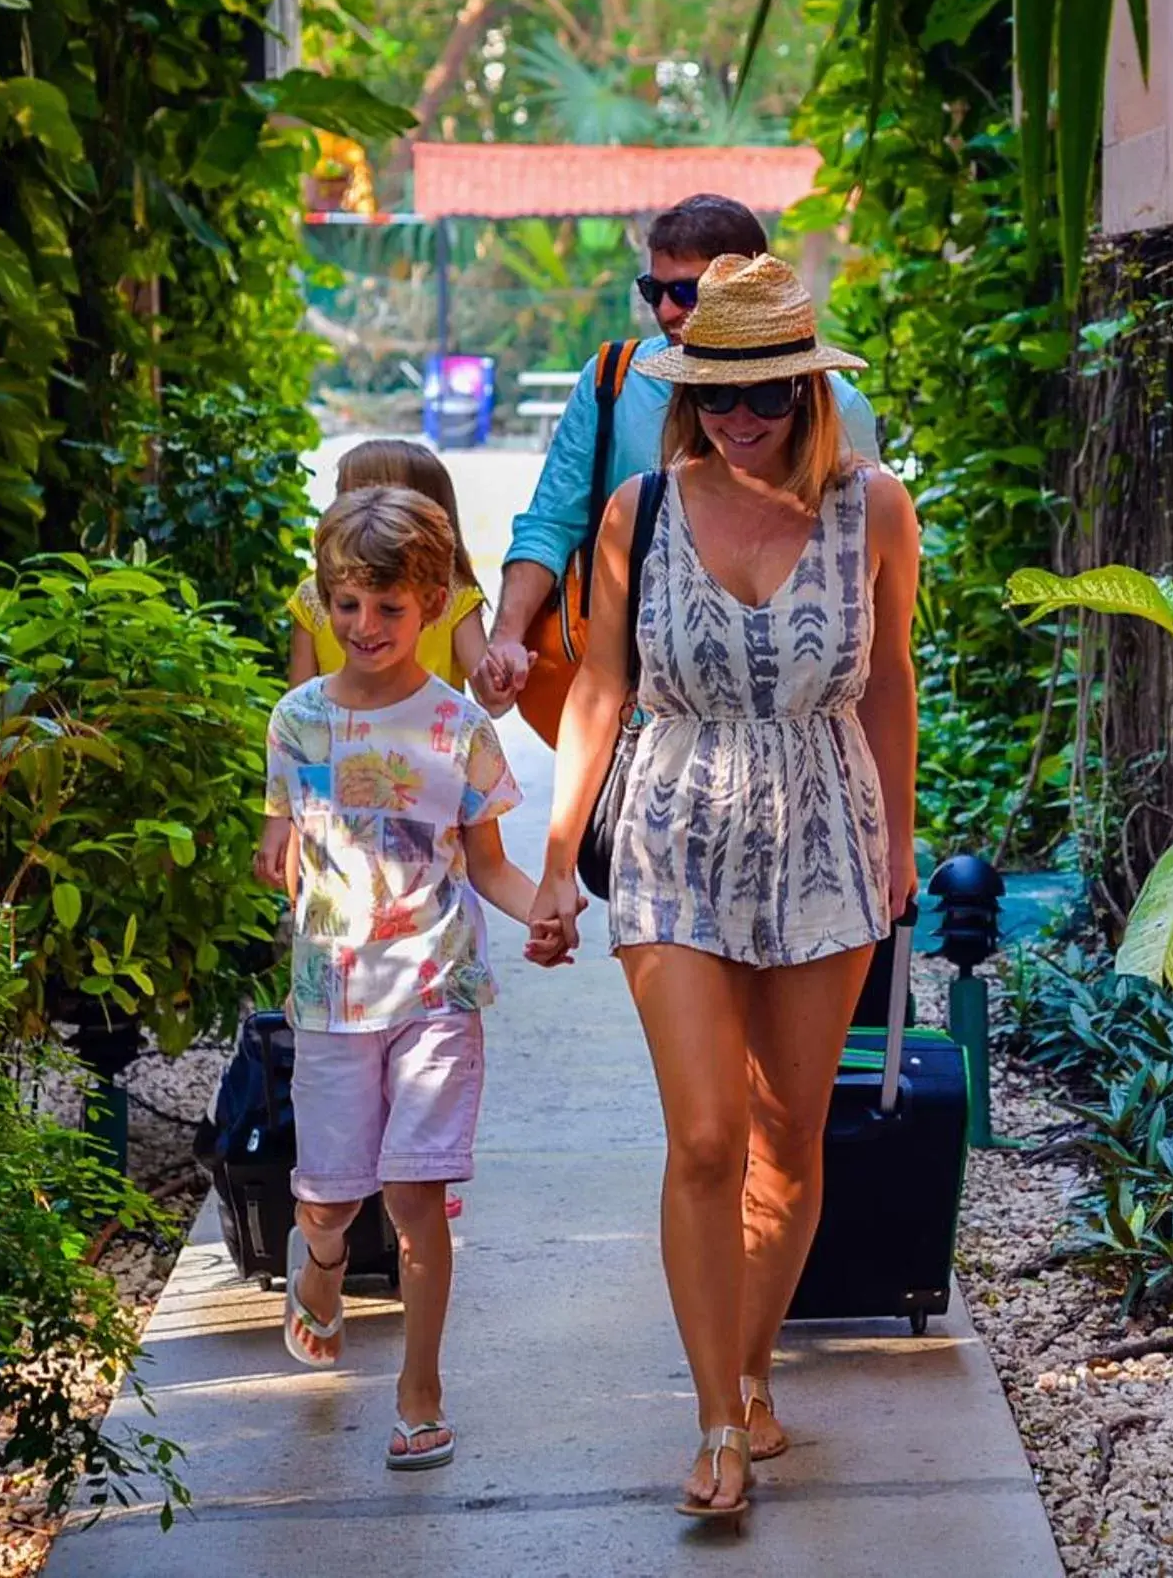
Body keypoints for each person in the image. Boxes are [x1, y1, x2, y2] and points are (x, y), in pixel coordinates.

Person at [525, 254, 921, 1521]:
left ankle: (752, 1372)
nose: (739, 421)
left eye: (765, 398)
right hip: (673, 836)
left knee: (789, 1139)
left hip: (826, 836)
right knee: (704, 1135)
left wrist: (897, 842)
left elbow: (893, 682)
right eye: (717, 399)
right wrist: (553, 864)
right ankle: (712, 1426)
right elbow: (596, 687)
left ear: (809, 392)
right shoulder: (641, 508)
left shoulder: (877, 510)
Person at [253, 486, 562, 1471]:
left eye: (390, 608)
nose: (366, 626)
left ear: (432, 606)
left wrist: (542, 912)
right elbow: (280, 840)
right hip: (334, 999)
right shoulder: (297, 723)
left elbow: (491, 863)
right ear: (323, 602)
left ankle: (418, 1387)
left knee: (413, 1191)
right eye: (347, 605)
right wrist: (280, 852)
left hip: (437, 987)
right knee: (329, 1199)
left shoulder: (458, 730)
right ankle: (325, 1265)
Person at [472, 195, 882, 711]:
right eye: (654, 290)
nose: (666, 310)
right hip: (636, 700)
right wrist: (506, 636)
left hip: (794, 696)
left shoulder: (838, 410)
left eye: (687, 291)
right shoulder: (613, 384)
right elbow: (551, 522)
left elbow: (866, 591)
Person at [290, 439, 500, 709]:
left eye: (352, 495)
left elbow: (492, 700)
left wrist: (501, 679)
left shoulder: (455, 596)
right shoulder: (312, 596)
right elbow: (298, 708)